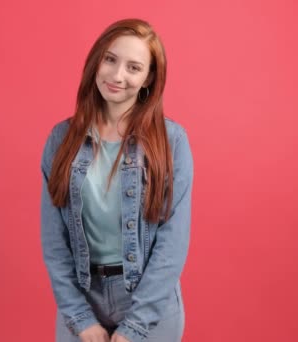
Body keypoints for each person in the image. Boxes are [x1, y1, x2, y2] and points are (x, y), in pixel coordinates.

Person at [40, 18, 193, 342]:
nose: (117, 75)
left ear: (148, 78)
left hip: (150, 304)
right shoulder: (61, 139)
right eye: (110, 59)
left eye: (134, 67)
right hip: (81, 299)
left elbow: (172, 243)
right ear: (97, 60)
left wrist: (134, 327)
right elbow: (54, 242)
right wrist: (80, 319)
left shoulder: (172, 141)